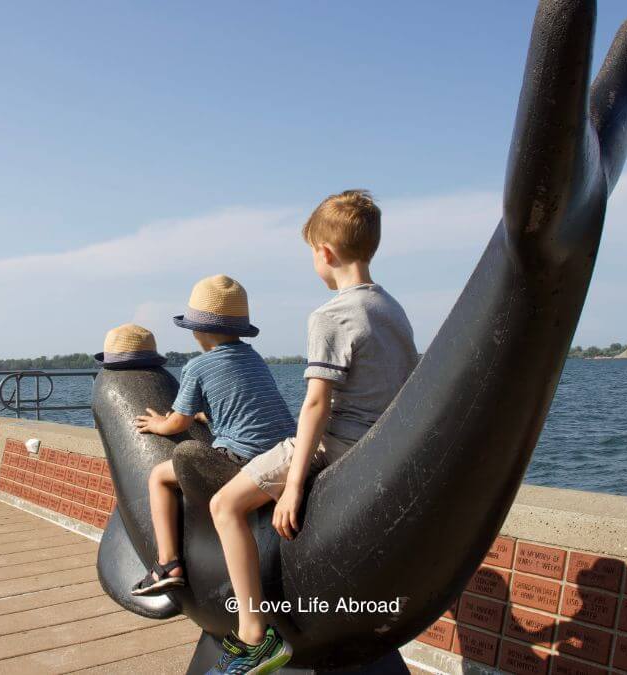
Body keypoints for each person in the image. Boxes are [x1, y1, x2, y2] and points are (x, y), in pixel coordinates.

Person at [207, 190, 419, 674]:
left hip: (334, 443)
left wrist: (293, 487)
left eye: (311, 254)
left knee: (224, 505)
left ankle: (254, 634)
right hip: (378, 446)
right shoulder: (392, 309)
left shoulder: (330, 315)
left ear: (324, 253)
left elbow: (317, 405)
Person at [130, 274, 296, 620]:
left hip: (242, 457)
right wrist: (210, 417)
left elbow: (177, 422)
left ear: (197, 330)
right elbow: (245, 404)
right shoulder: (254, 358)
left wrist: (158, 424)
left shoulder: (197, 367)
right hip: (284, 452)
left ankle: (167, 563)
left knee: (158, 478)